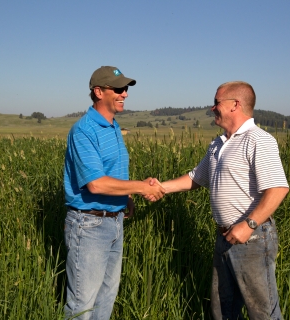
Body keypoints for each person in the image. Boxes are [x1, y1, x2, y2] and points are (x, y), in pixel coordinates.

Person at [157, 81, 289, 319]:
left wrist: (249, 225)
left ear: (234, 105)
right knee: (223, 310)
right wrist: (159, 187)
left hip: (252, 239)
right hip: (224, 237)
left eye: (217, 102)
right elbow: (196, 178)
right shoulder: (218, 144)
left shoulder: (258, 140)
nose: (212, 108)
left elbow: (278, 188)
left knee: (262, 313)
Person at [63, 66, 166, 320]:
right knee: (82, 306)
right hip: (88, 225)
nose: (125, 94)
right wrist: (141, 187)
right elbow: (96, 184)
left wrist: (126, 197)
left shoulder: (113, 127)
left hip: (114, 221)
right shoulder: (84, 130)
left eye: (126, 89)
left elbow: (113, 172)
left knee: (105, 300)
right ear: (98, 92)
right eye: (118, 89)